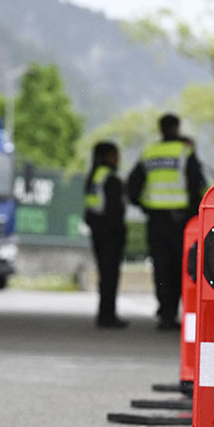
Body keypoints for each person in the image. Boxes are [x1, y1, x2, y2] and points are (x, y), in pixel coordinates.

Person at [127, 114, 205, 331]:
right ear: (177, 128)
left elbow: (132, 186)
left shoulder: (149, 153)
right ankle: (178, 310)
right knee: (181, 265)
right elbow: (197, 184)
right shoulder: (184, 152)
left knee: (160, 266)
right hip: (180, 220)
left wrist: (145, 205)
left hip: (156, 219)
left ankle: (165, 312)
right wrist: (193, 211)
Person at [84, 141, 127, 329]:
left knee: (105, 274)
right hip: (110, 232)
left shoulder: (94, 176)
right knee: (110, 275)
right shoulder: (109, 178)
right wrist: (120, 232)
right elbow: (114, 210)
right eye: (115, 154)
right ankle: (107, 316)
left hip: (98, 229)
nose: (118, 159)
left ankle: (105, 314)